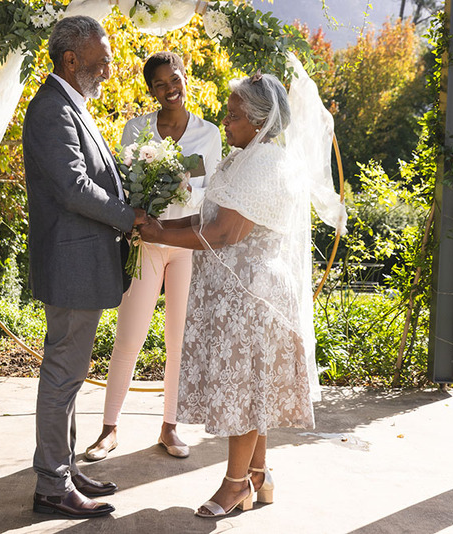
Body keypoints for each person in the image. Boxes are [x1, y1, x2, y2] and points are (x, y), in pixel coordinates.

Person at [139, 71, 347, 517]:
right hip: (237, 296)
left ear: (258, 121)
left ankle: (234, 486)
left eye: (234, 115)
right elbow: (203, 219)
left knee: (246, 393)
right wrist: (156, 228)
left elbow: (225, 231)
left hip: (254, 297)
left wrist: (162, 234)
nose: (225, 121)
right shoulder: (241, 159)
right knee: (254, 389)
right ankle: (258, 475)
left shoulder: (266, 164)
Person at [23, 15, 147, 519]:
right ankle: (51, 487)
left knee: (69, 376)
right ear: (70, 60)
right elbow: (74, 187)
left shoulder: (71, 104)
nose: (109, 72)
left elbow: (96, 174)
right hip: (71, 264)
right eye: (102, 63)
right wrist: (129, 217)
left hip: (81, 263)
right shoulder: (52, 110)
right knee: (61, 376)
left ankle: (64, 469)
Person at [84, 51, 222, 462]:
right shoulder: (137, 130)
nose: (169, 89)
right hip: (145, 244)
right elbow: (127, 188)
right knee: (129, 337)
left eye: (174, 79)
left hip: (187, 245)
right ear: (151, 90)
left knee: (178, 340)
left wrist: (183, 188)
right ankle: (108, 430)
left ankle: (170, 427)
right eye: (159, 84)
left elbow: (211, 193)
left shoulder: (208, 134)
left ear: (185, 77)